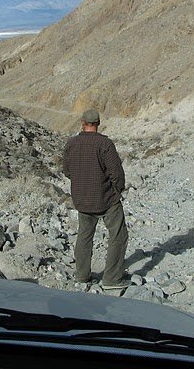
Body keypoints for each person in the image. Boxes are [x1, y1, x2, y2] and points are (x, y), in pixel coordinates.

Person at [63, 108, 129, 289]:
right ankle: (112, 279)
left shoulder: (72, 143)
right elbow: (116, 172)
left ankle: (82, 276)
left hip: (81, 199)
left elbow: (67, 170)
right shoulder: (105, 144)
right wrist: (118, 189)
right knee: (118, 235)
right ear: (98, 124)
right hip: (106, 199)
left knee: (84, 236)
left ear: (83, 123)